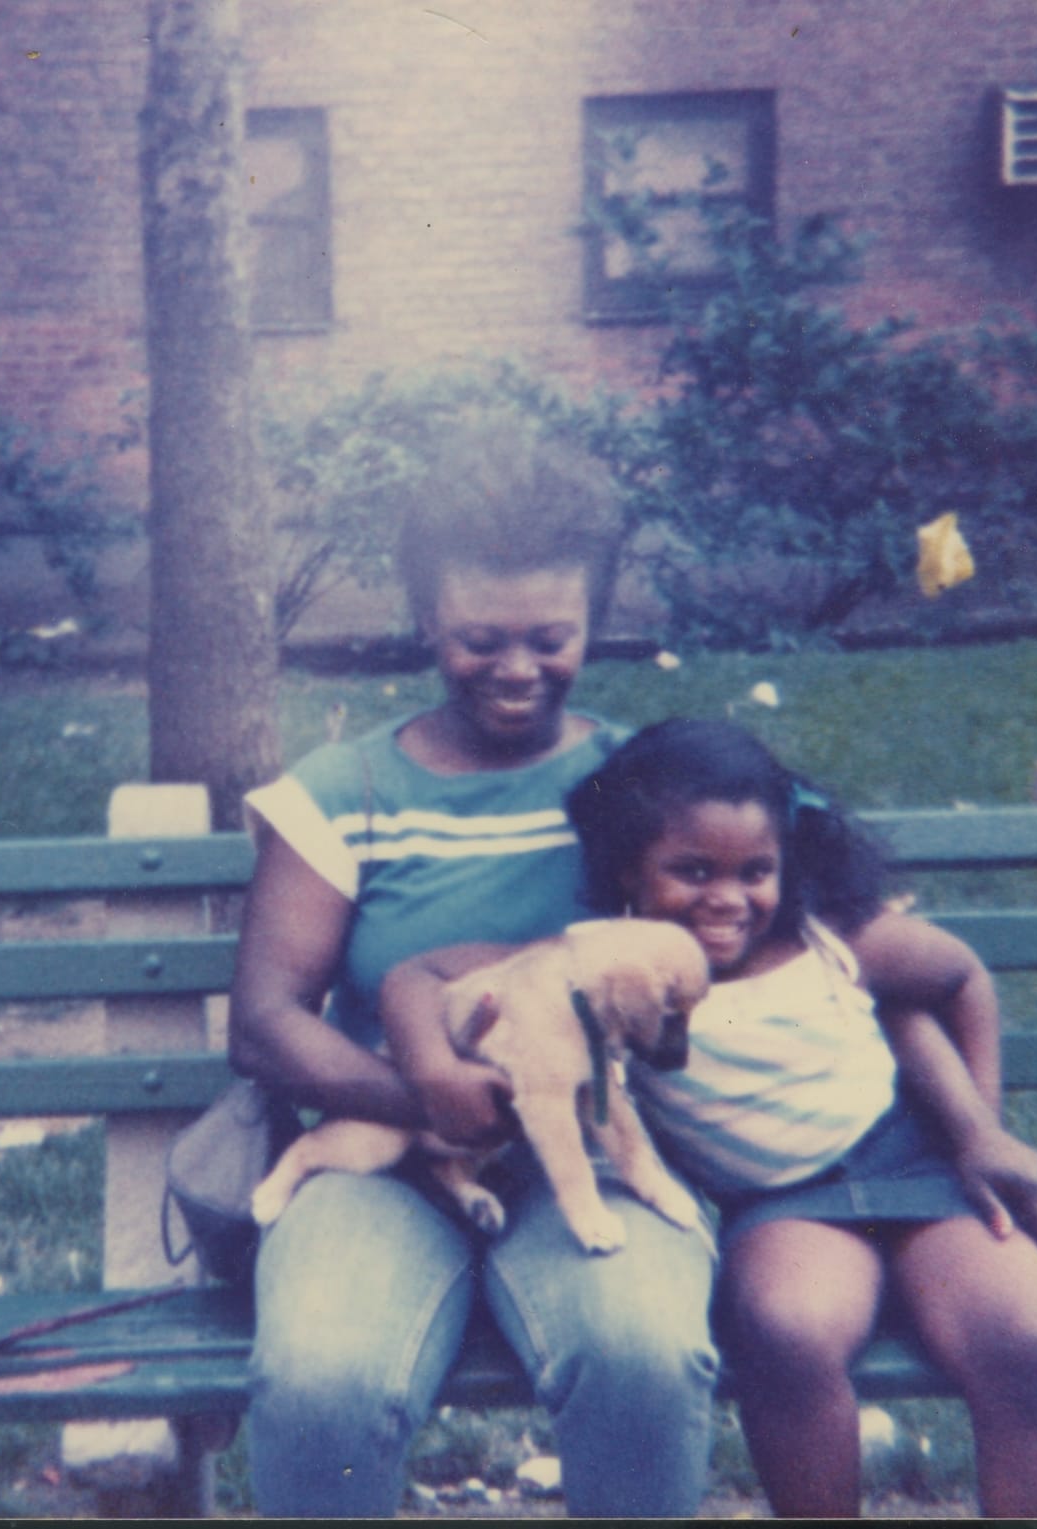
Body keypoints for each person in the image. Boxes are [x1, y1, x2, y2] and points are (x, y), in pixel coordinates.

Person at [228, 413, 719, 1519]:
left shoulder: (635, 782)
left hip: (586, 1148)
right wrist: (425, 1097)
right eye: (478, 638)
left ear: (595, 619)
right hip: (390, 1154)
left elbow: (766, 907)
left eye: (549, 637)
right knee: (319, 1376)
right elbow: (264, 1020)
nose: (515, 669)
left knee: (643, 1349)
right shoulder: (348, 788)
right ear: (424, 619)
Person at [556, 717, 1037, 1518]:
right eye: (692, 870)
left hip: (920, 1172)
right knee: (786, 1329)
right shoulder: (616, 970)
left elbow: (961, 978)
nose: (727, 898)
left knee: (1020, 1333)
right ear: (628, 864)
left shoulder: (829, 939)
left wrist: (982, 1132)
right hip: (785, 1205)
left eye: (754, 871)